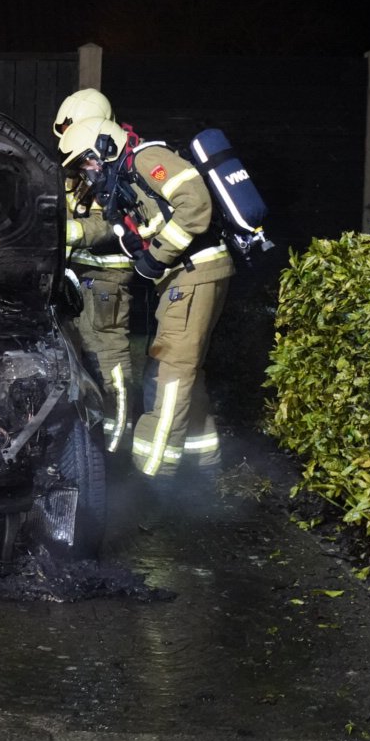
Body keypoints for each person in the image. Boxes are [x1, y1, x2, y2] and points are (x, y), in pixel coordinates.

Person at [58, 115, 233, 485]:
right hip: (185, 275)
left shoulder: (147, 160)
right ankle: (205, 463)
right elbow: (126, 227)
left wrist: (157, 256)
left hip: (193, 271)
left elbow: (195, 203)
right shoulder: (125, 178)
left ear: (104, 147)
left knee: (170, 372)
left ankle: (153, 474)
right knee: (184, 369)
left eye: (86, 161)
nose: (86, 172)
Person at [53, 89, 136, 454]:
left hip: (106, 281)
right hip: (80, 279)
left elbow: (107, 223)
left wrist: (66, 232)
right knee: (83, 356)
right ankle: (93, 435)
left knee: (108, 357)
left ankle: (118, 441)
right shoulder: (82, 171)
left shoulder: (113, 171)